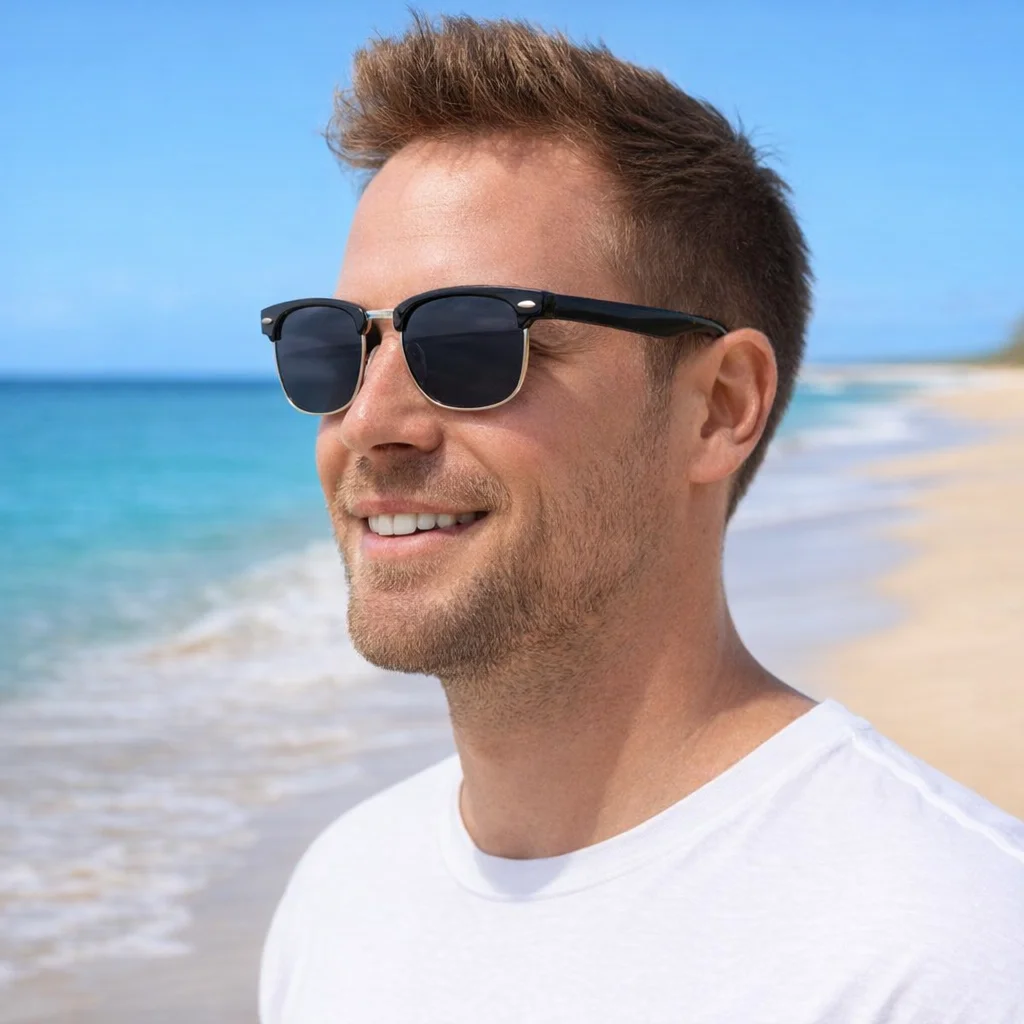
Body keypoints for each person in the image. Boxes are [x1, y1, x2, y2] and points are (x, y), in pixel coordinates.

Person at [258, 15, 1024, 1023]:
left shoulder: (951, 949)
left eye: (475, 340)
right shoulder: (339, 891)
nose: (368, 421)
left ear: (718, 407)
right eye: (336, 345)